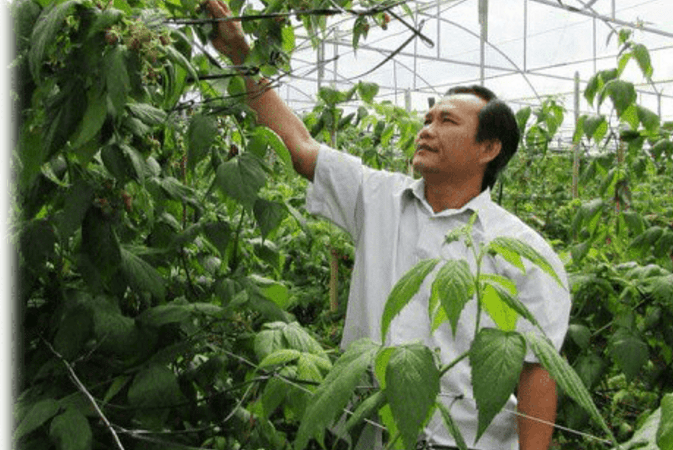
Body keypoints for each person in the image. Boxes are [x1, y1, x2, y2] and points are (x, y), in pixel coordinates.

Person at [204, 2, 572, 449]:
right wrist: (241, 55)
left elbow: (537, 370)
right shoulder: (378, 197)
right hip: (367, 436)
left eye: (447, 121)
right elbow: (300, 148)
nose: (427, 129)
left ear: (488, 148)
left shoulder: (521, 250)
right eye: (427, 119)